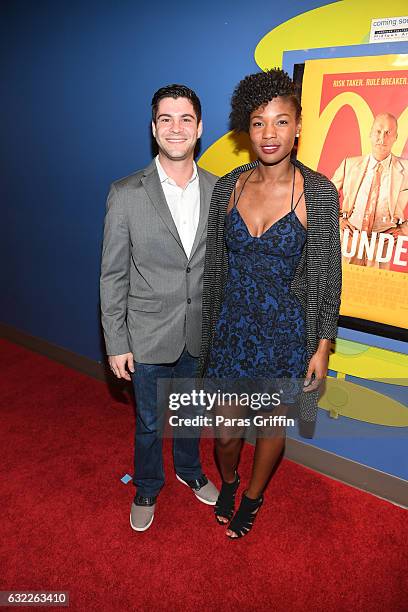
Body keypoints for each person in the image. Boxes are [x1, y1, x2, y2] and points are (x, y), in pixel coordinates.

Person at [197, 69, 342, 539]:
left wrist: (322, 345)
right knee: (225, 434)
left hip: (284, 331)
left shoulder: (317, 192)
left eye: (281, 121)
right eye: (258, 122)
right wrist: (208, 328)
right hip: (232, 328)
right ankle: (231, 480)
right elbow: (214, 267)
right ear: (247, 127)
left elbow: (326, 275)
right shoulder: (229, 186)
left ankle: (253, 499)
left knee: (269, 428)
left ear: (298, 127)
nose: (269, 133)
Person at [100, 84, 218, 532]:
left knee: (190, 411)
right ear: (153, 129)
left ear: (199, 127)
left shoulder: (219, 190)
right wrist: (116, 342)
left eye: (185, 118)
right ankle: (147, 484)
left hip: (198, 330)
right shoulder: (126, 193)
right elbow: (112, 275)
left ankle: (190, 471)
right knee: (149, 422)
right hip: (147, 332)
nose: (176, 127)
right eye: (165, 119)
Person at [332, 113, 408, 267]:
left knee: (377, 288)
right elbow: (323, 197)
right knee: (344, 286)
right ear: (370, 134)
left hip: (383, 243)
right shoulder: (349, 165)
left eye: (388, 132)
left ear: (396, 137)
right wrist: (339, 219)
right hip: (350, 239)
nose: (382, 138)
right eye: (378, 131)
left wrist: (405, 229)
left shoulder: (406, 169)